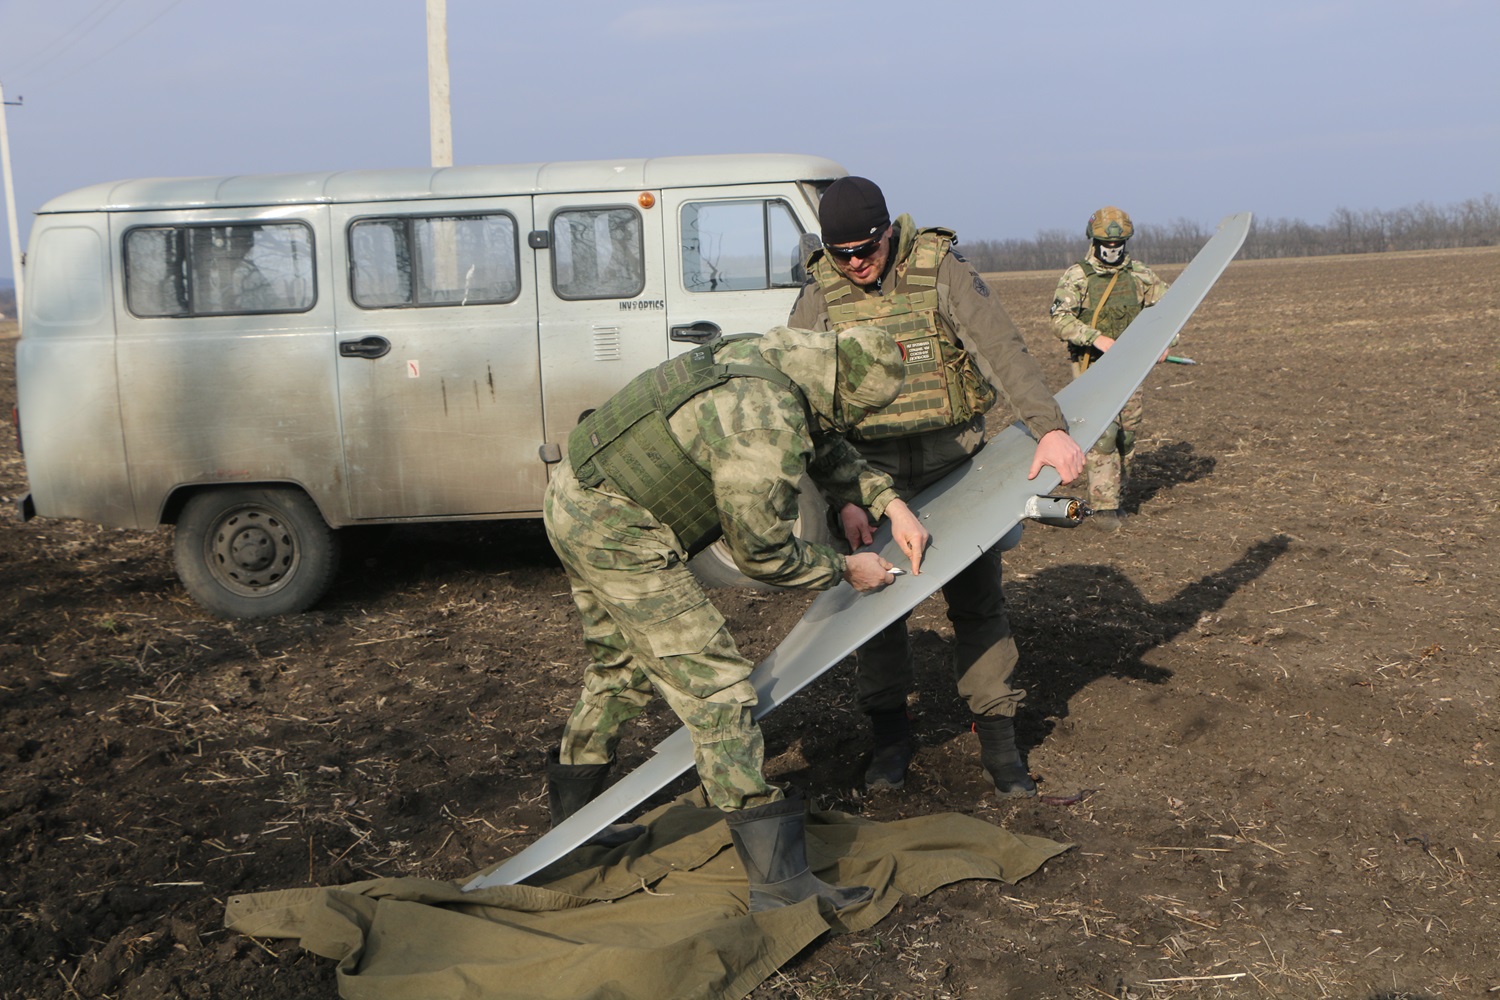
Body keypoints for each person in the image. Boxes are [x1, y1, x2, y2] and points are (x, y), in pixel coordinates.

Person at [542, 325, 930, 913]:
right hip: (617, 531)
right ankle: (781, 885)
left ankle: (574, 828)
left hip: (573, 495)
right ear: (841, 389)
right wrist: (846, 570)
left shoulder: (784, 355)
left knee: (621, 667)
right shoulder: (764, 423)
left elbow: (825, 440)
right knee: (718, 690)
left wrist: (883, 502)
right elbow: (762, 552)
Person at [788, 176, 1085, 799]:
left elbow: (1001, 349)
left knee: (977, 604)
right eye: (841, 255)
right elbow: (804, 404)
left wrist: (1050, 429)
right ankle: (891, 740)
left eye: (865, 249)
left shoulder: (939, 269)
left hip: (956, 466)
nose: (855, 264)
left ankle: (1001, 745)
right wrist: (844, 498)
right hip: (868, 479)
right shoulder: (819, 293)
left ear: (889, 233)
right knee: (876, 611)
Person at [1049, 206, 1170, 530]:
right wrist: (1096, 338)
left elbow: (1170, 311)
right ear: (1094, 241)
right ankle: (1104, 509)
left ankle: (1119, 495)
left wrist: (1166, 342)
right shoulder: (1078, 277)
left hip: (1131, 370)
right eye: (1106, 243)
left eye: (1118, 244)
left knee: (1127, 436)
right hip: (1093, 370)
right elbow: (1060, 320)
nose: (1113, 250)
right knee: (1104, 436)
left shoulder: (1141, 276)